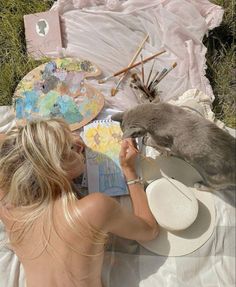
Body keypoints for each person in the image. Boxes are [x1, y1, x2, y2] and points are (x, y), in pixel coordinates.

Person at [0, 118, 159, 287]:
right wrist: (129, 170)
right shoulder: (94, 209)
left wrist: (47, 139)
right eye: (71, 147)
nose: (80, 144)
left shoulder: (6, 206)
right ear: (58, 168)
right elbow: (150, 231)